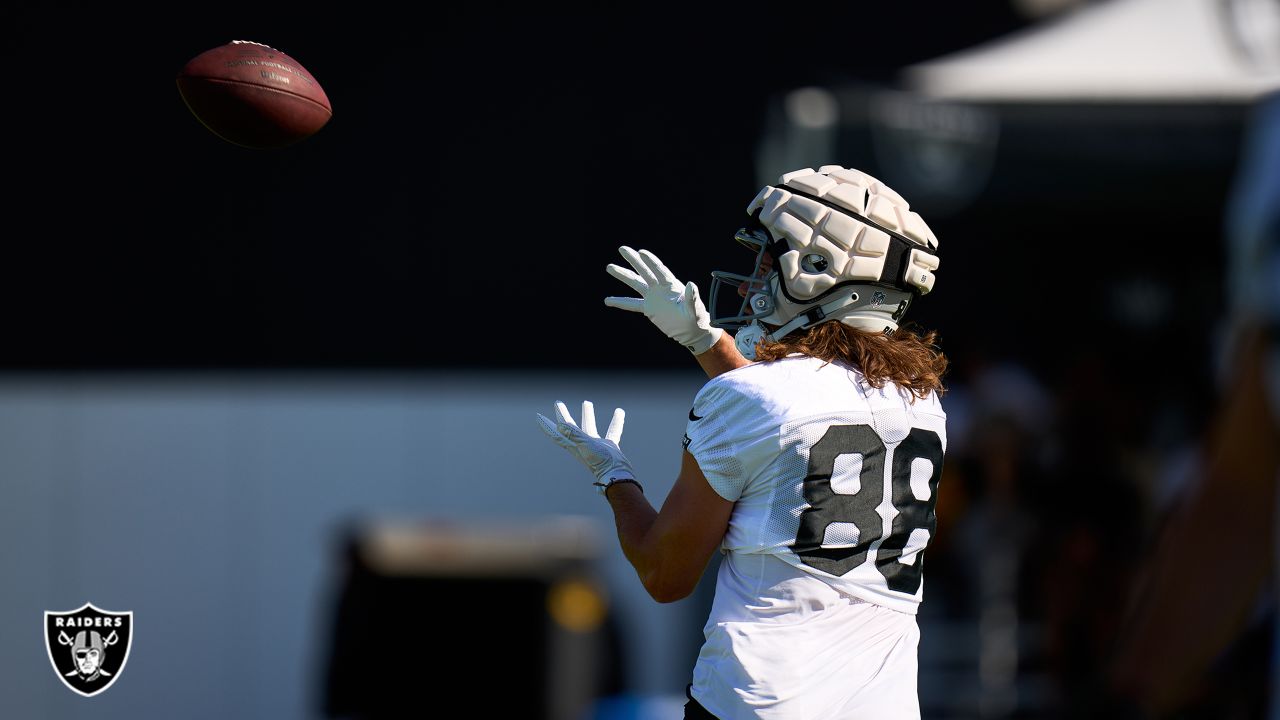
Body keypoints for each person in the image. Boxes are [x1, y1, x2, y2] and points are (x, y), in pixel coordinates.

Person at [537, 165, 948, 719]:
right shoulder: (922, 403)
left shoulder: (755, 400)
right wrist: (705, 342)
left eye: (766, 262)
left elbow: (665, 574)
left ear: (817, 271)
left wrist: (614, 476)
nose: (754, 282)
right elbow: (789, 415)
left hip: (760, 702)